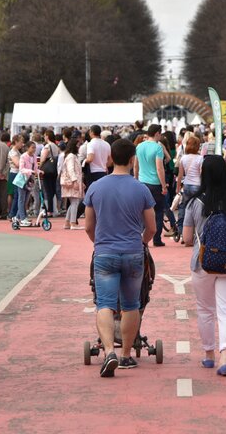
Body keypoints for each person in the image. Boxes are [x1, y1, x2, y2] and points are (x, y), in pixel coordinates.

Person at [84, 138, 155, 377]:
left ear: (110, 158)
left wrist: (99, 243)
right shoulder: (141, 189)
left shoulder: (96, 187)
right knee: (131, 304)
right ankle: (125, 355)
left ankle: (108, 352)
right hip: (133, 252)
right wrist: (141, 242)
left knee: (104, 303)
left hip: (105, 252)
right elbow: (152, 228)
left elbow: (88, 226)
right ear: (133, 159)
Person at [182, 155, 226, 377]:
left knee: (205, 309)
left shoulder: (195, 203)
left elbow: (186, 238)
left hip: (202, 262)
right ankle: (224, 357)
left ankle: (209, 354)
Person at [134, 124, 167, 247]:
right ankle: (156, 239)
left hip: (142, 182)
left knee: (142, 211)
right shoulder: (158, 147)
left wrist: (136, 179)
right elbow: (159, 168)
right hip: (155, 183)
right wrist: (164, 185)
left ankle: (142, 238)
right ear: (157, 133)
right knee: (158, 212)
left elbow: (136, 165)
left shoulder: (139, 146)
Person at [176, 135, 203, 242]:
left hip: (187, 185)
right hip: (197, 185)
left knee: (184, 207)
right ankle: (196, 233)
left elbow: (180, 175)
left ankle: (183, 232)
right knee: (197, 209)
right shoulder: (200, 158)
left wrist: (178, 187)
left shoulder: (183, 158)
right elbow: (201, 174)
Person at [60, 138, 84, 230]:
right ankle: (72, 223)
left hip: (70, 182)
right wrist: (75, 181)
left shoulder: (70, 156)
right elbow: (71, 169)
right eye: (78, 145)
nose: (79, 147)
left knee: (73, 202)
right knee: (75, 202)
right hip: (72, 181)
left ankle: (68, 222)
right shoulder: (72, 156)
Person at [39, 130, 60, 217]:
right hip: (54, 169)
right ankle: (54, 209)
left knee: (47, 190)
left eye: (45, 136)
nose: (44, 137)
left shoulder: (47, 146)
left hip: (47, 170)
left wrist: (40, 167)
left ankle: (49, 210)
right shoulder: (55, 146)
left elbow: (43, 159)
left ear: (47, 136)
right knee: (52, 189)